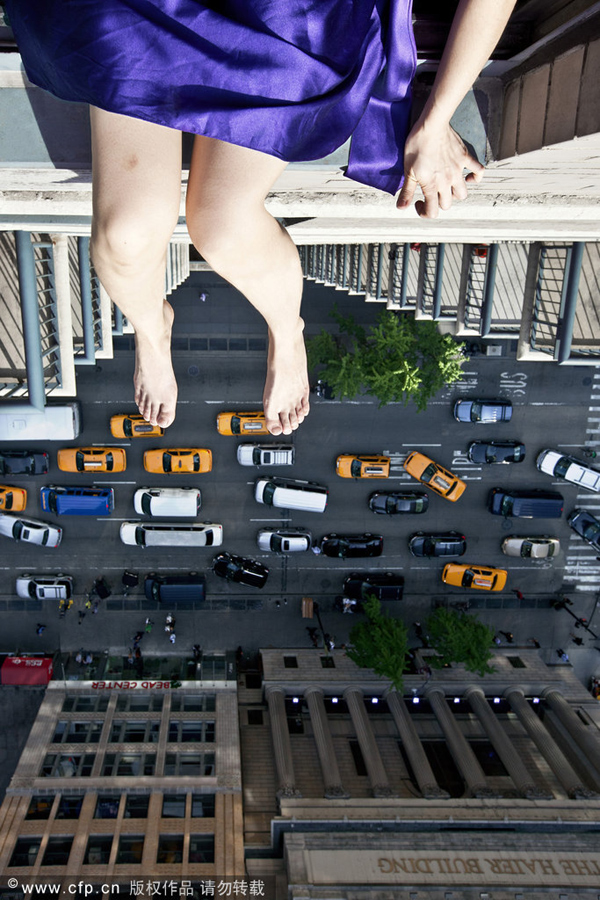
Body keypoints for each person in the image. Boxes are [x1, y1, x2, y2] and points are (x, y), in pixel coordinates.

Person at [5, 0, 517, 434]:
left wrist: (437, 118)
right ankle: (150, 328)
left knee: (222, 226)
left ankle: (286, 330)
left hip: (285, 15)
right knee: (124, 235)